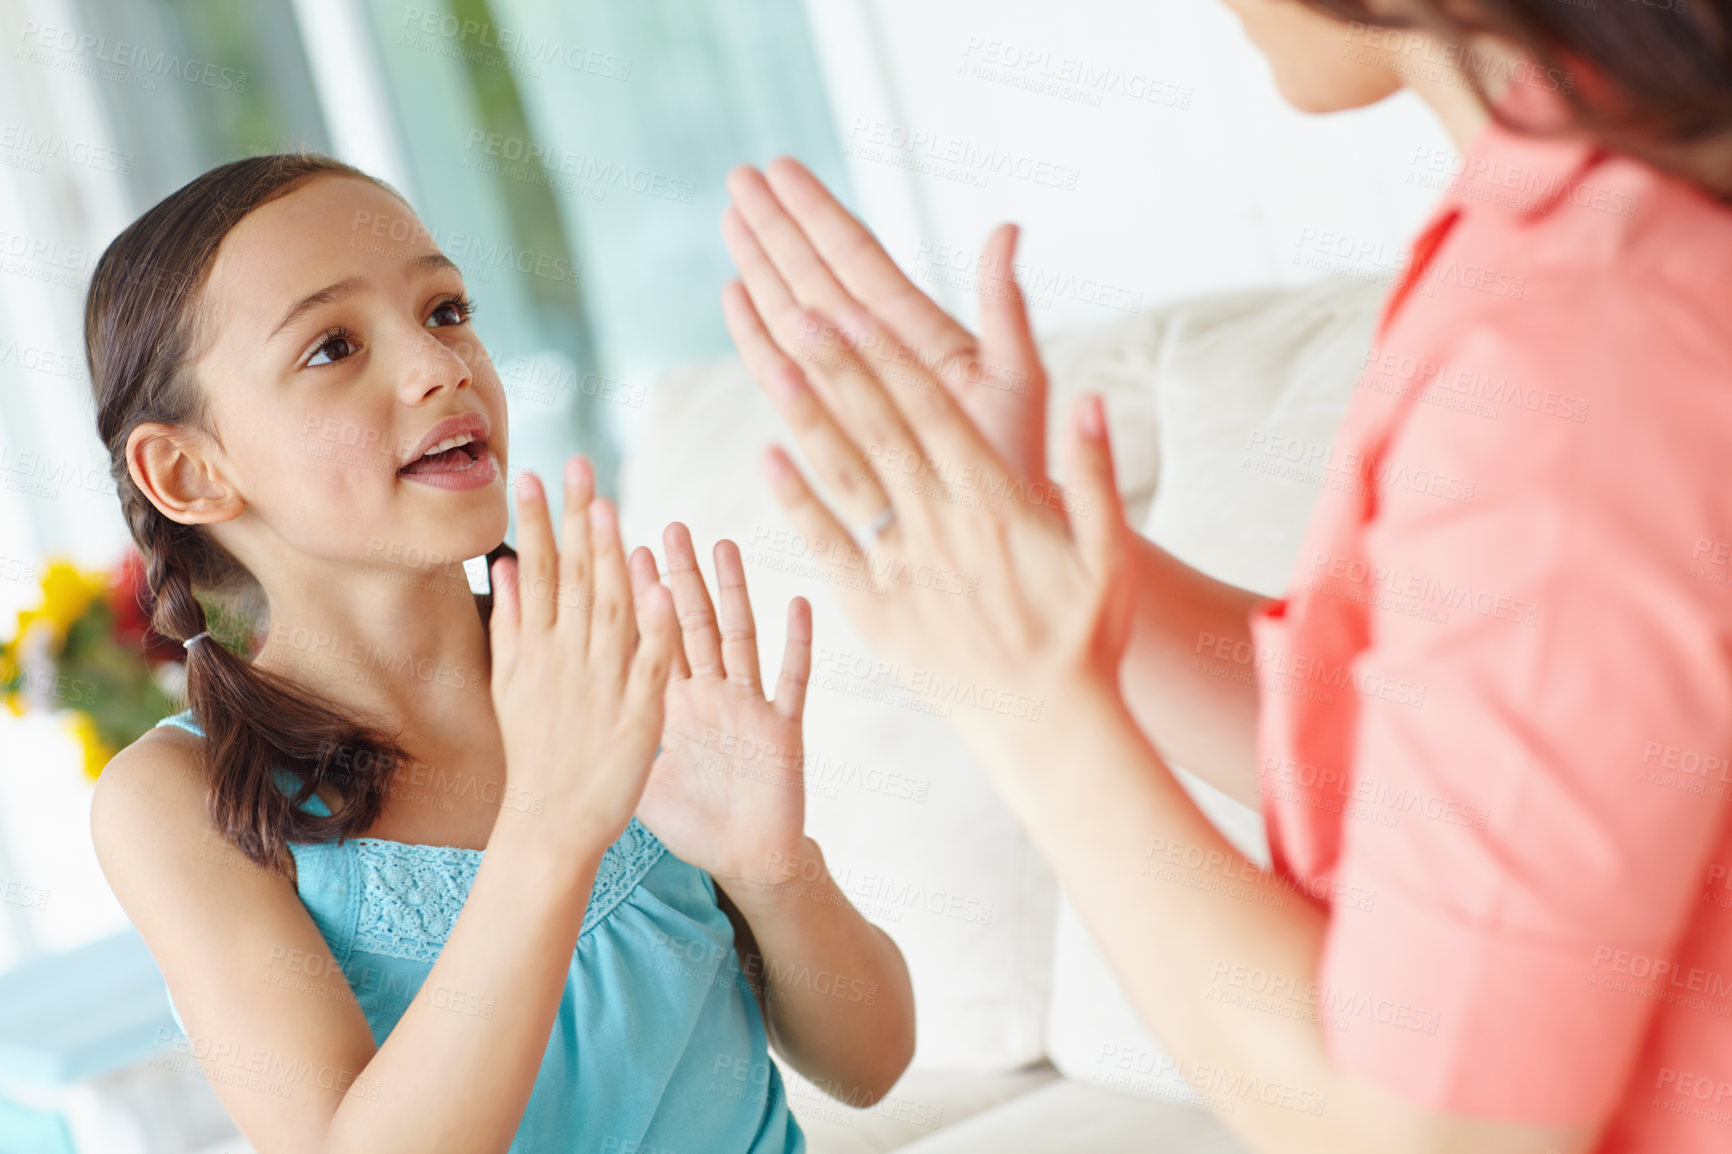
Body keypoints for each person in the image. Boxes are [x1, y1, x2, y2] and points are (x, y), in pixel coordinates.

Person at [717, 2, 1732, 1152]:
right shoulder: (1571, 226)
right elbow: (1446, 757)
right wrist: (1029, 550)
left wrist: (1029, 711)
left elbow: (1421, 1131)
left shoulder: (1580, 330)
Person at [85, 153, 914, 1154]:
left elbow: (871, 1065)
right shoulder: (175, 799)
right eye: (333, 345)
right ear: (189, 469)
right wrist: (549, 829)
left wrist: (776, 870)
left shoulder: (608, 664)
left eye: (444, 310)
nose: (443, 366)